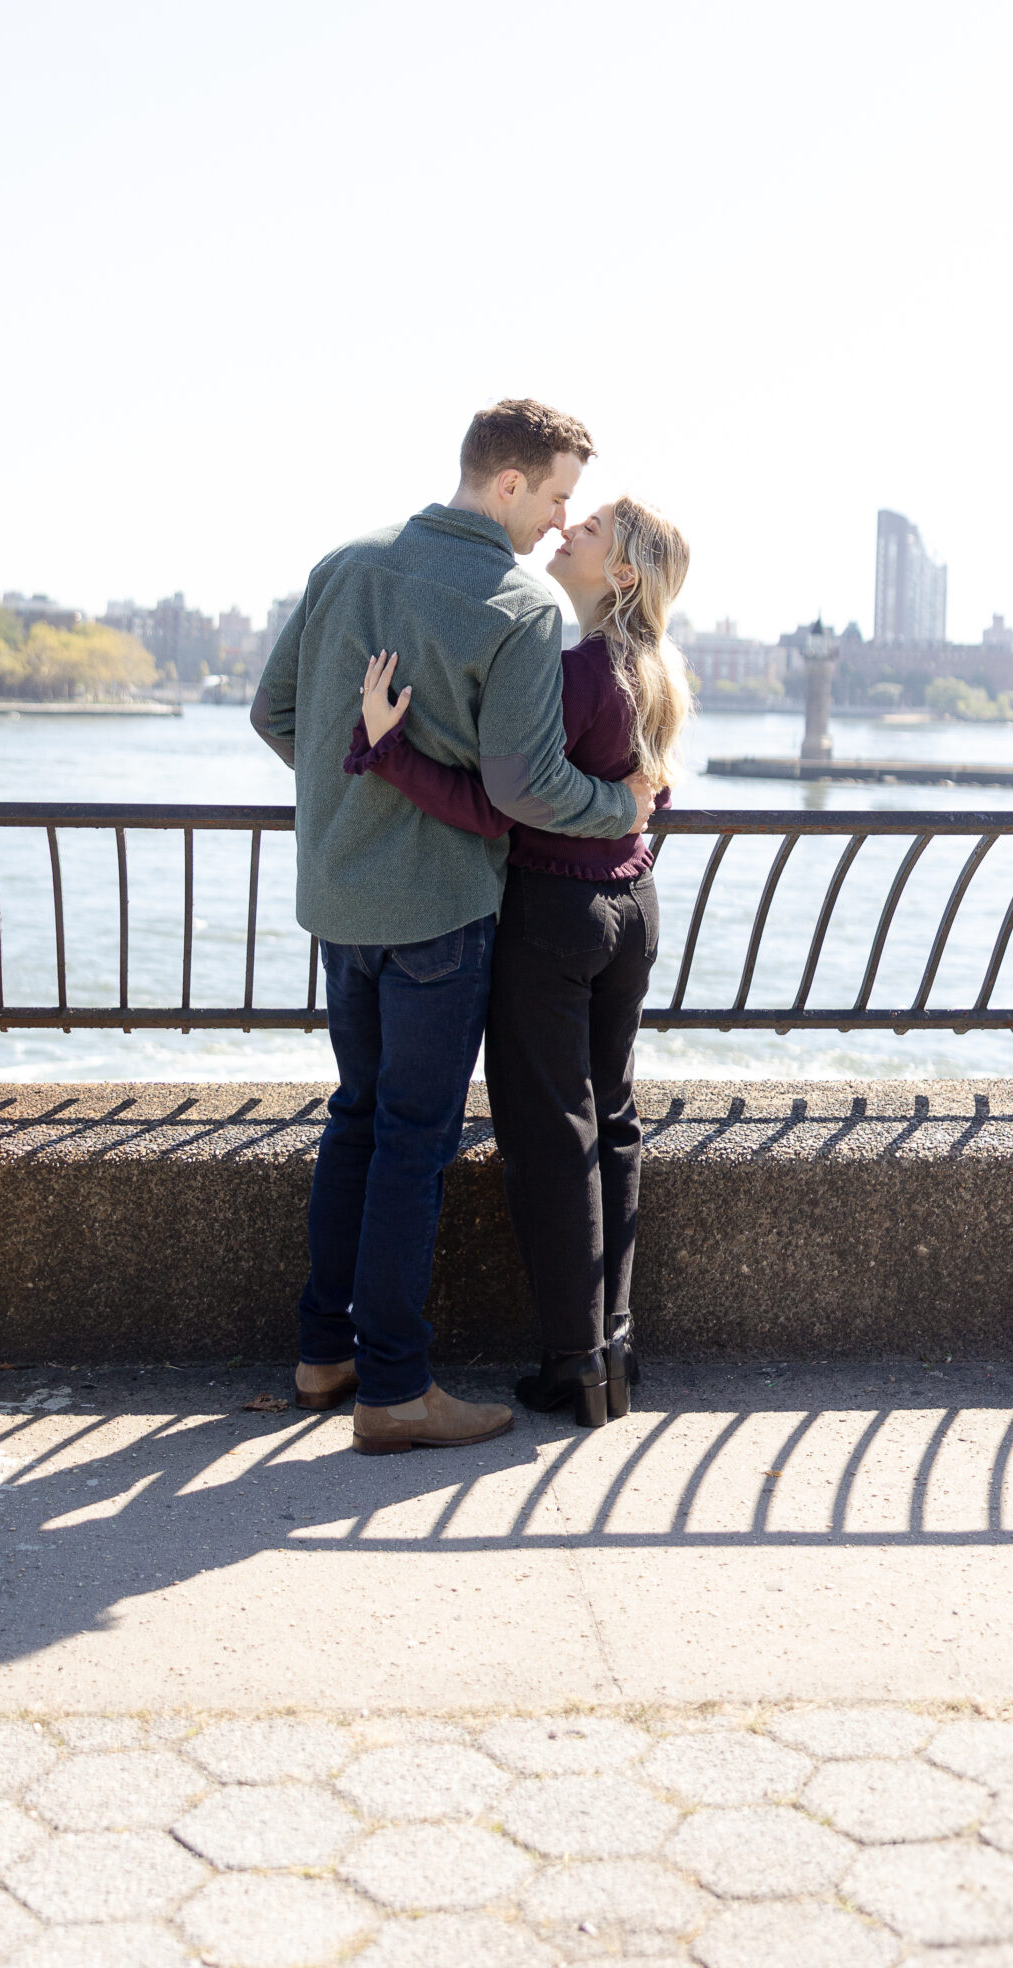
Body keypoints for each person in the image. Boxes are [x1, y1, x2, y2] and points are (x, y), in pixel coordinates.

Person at [251, 401, 652, 1455]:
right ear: (511, 483)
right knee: (413, 1143)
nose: (561, 518)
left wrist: (354, 801)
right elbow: (524, 787)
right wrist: (622, 810)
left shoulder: (345, 562)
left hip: (341, 900)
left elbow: (274, 713)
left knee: (357, 1116)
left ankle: (320, 1352)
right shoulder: (516, 603)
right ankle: (392, 1387)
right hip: (442, 907)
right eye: (559, 494)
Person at [348, 495, 691, 1428]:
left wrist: (385, 754)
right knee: (610, 1123)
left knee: (551, 1139)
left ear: (621, 573)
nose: (565, 530)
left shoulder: (577, 666)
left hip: (555, 914)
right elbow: (628, 792)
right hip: (631, 905)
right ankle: (612, 1352)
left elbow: (507, 805)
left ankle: (575, 1367)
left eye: (589, 532)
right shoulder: (653, 668)